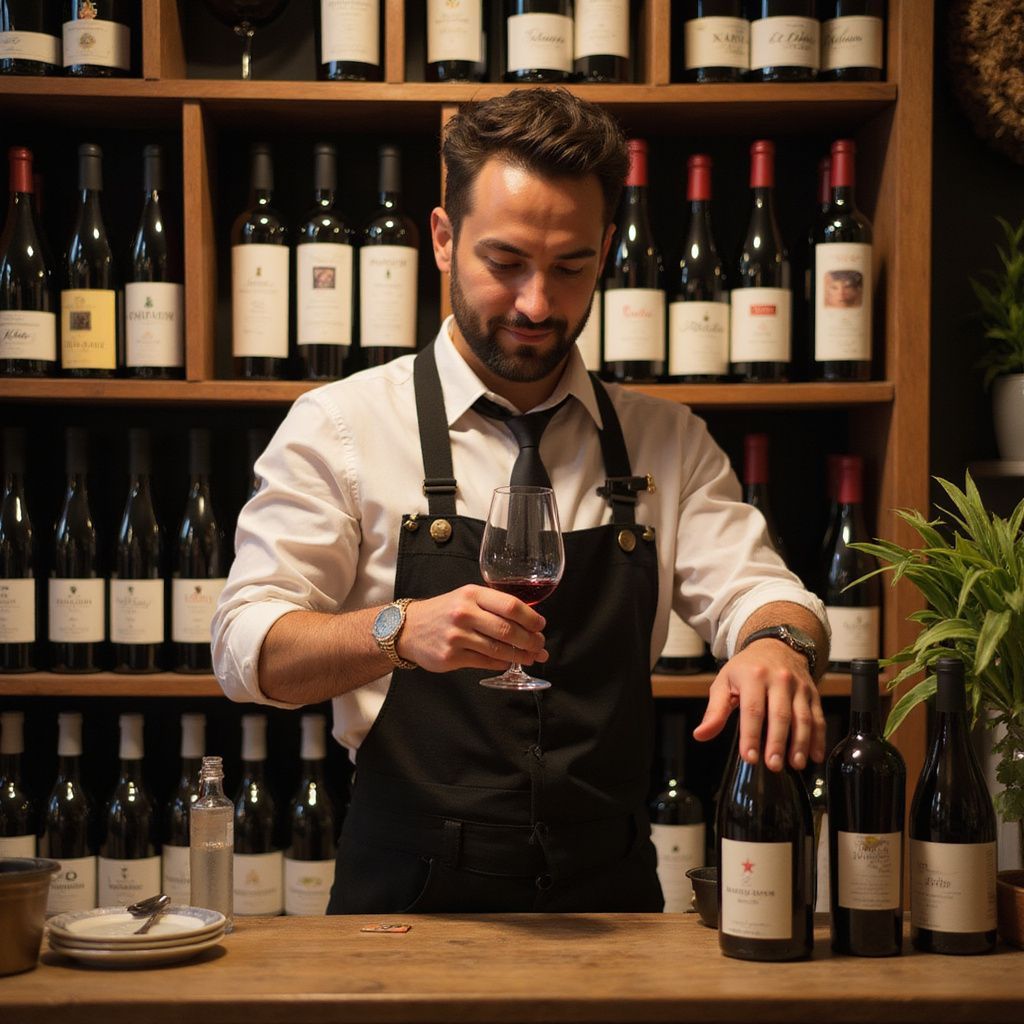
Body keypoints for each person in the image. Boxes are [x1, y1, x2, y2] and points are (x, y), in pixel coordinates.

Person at [212, 88, 830, 915]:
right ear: (442, 238)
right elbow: (245, 647)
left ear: (608, 249)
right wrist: (399, 629)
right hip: (404, 896)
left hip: (612, 895)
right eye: (505, 263)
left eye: (570, 266)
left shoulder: (667, 441)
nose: (538, 304)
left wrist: (777, 646)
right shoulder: (342, 425)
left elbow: (765, 593)